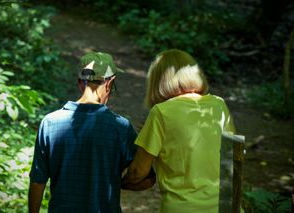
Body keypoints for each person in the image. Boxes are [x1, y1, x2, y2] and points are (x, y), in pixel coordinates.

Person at [28, 51, 154, 213]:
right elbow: (144, 178)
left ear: (80, 82)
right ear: (109, 83)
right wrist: (119, 182)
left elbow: (38, 180)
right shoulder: (120, 128)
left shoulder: (50, 123)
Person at [123, 49, 235, 213]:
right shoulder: (219, 105)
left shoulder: (161, 112)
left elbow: (138, 171)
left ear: (158, 80)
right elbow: (232, 155)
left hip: (182, 207)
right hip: (224, 207)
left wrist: (119, 183)